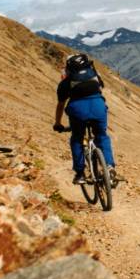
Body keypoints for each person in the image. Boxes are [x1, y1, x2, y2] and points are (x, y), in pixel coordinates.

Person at [53, 53, 121, 185]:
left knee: (77, 138)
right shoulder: (93, 75)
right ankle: (109, 166)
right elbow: (100, 88)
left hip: (78, 111)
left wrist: (58, 123)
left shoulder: (66, 82)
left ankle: (80, 174)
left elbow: (60, 105)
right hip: (98, 107)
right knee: (102, 136)